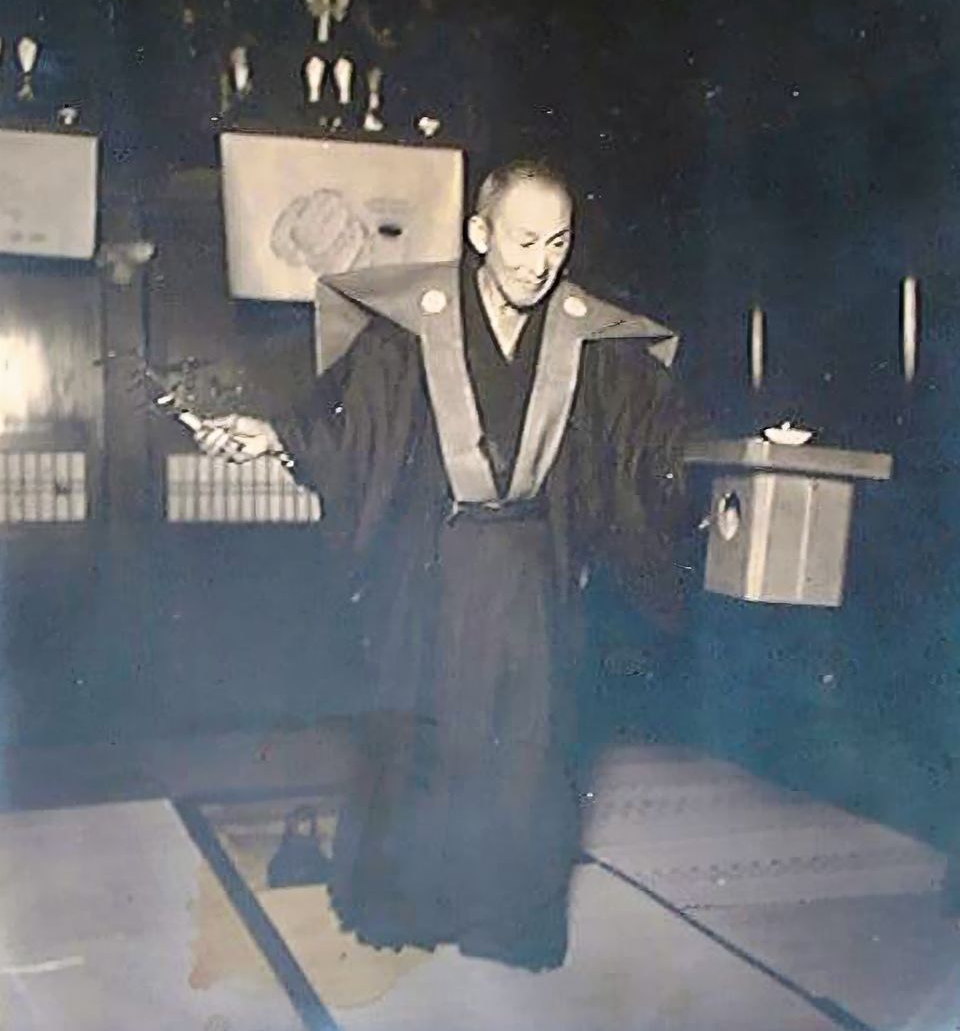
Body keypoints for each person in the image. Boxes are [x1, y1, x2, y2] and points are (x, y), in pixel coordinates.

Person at [195, 158, 693, 970]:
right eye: (524, 241)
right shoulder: (415, 325)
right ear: (479, 234)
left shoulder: (583, 336)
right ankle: (412, 907)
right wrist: (276, 435)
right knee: (420, 738)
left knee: (528, 748)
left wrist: (726, 456)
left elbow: (648, 438)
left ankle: (511, 922)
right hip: (433, 567)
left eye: (558, 242)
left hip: (531, 570)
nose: (541, 263)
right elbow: (352, 427)